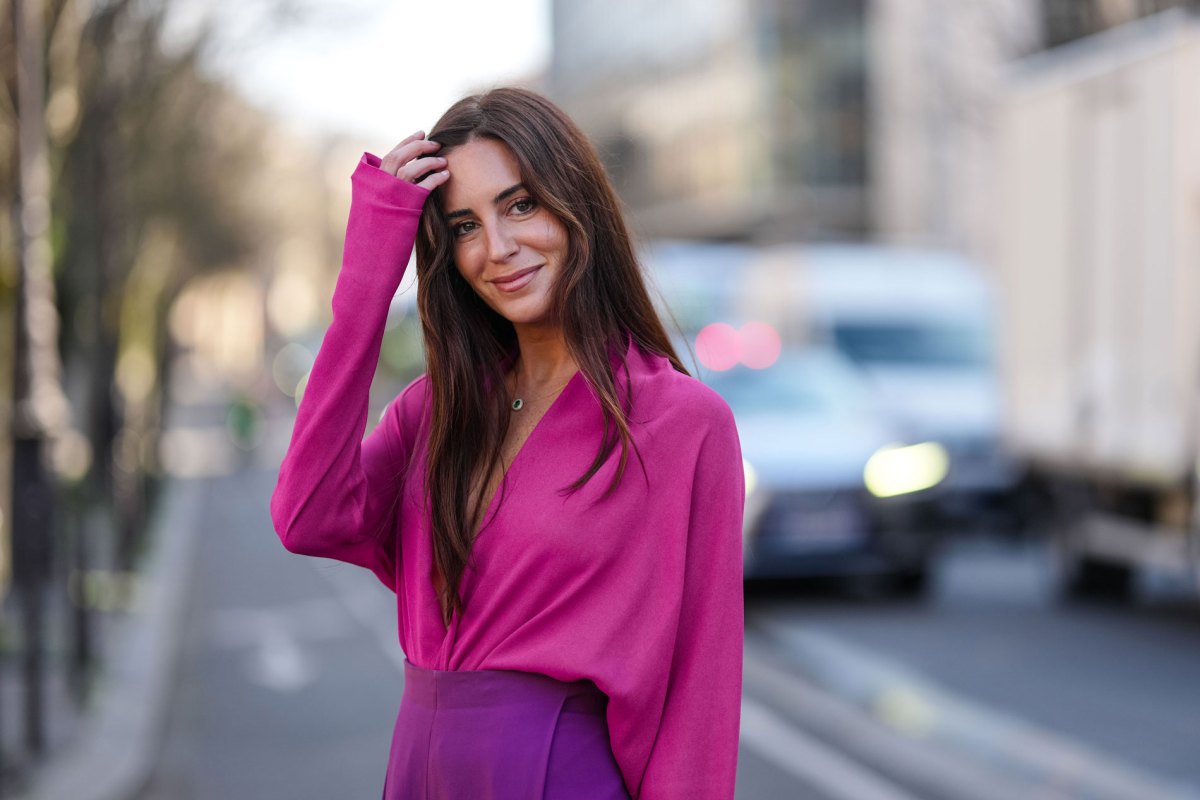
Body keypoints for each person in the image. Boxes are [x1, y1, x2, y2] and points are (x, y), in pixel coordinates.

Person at [270, 87, 744, 800]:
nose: (496, 248)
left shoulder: (680, 423)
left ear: (574, 203)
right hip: (420, 772)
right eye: (463, 225)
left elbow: (698, 695)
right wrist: (369, 271)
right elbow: (306, 515)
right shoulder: (440, 409)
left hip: (554, 777)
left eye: (520, 205)